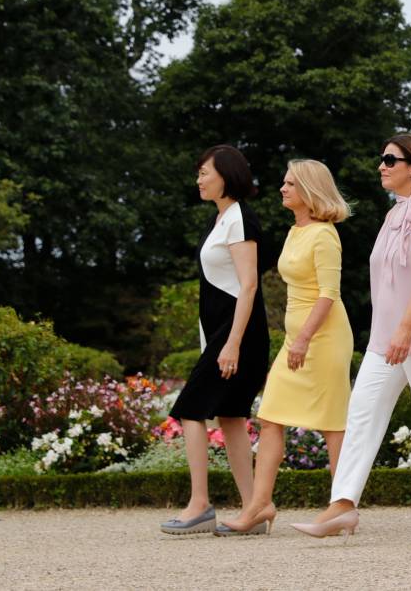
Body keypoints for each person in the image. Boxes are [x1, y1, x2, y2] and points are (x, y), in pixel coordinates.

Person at [291, 136, 411, 543]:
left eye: (390, 159)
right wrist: (390, 331)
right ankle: (343, 505)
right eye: (381, 158)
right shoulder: (394, 215)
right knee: (362, 414)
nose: (382, 166)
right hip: (385, 340)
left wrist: (406, 329)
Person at [218, 159, 354, 536]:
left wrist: (305, 338)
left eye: (290, 183)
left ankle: (342, 506)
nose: (283, 188)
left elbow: (328, 295)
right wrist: (295, 339)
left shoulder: (325, 235)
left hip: (323, 339)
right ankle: (259, 505)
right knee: (270, 415)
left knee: (332, 424)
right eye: (284, 182)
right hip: (297, 340)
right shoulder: (296, 231)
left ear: (309, 189)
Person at [160, 145, 270, 536]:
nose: (199, 179)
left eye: (205, 172)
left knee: (190, 409)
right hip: (223, 337)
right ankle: (256, 507)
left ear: (225, 174)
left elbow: (250, 284)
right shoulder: (222, 219)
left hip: (238, 337)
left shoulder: (240, 218)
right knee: (231, 417)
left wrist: (232, 343)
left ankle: (200, 504)